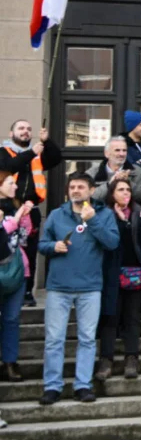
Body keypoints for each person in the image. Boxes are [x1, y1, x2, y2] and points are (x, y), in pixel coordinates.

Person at [37, 172, 119, 404]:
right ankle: (52, 386)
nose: (75, 191)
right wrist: (54, 246)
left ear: (92, 191)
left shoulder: (104, 214)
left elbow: (112, 243)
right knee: (54, 339)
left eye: (81, 187)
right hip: (58, 287)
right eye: (72, 187)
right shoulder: (56, 215)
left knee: (87, 338)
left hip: (90, 287)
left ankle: (83, 385)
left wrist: (92, 220)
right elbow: (42, 245)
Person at [96, 178, 141, 382]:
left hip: (135, 275)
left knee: (132, 319)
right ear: (112, 193)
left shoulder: (140, 212)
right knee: (110, 318)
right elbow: (110, 244)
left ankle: (132, 359)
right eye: (121, 189)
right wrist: (121, 223)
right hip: (111, 274)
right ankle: (106, 360)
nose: (126, 193)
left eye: (128, 190)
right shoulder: (104, 214)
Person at [2, 119, 62, 307]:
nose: (26, 131)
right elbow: (10, 167)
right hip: (8, 209)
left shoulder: (36, 154)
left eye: (29, 129)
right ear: (11, 134)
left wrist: (47, 141)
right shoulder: (4, 152)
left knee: (30, 251)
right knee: (7, 248)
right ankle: (7, 286)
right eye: (21, 128)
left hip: (31, 210)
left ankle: (27, 291)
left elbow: (55, 159)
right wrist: (31, 153)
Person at [0, 172, 34, 382]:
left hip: (18, 270)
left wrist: (25, 216)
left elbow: (25, 237)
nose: (15, 187)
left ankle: (10, 362)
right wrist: (16, 216)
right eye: (11, 183)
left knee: (12, 319)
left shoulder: (17, 206)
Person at [87, 137, 141, 206]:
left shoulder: (137, 171)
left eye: (124, 150)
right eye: (117, 150)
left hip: (128, 215)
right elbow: (87, 198)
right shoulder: (92, 173)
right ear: (107, 153)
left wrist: (128, 182)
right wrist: (109, 184)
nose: (121, 154)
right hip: (101, 215)